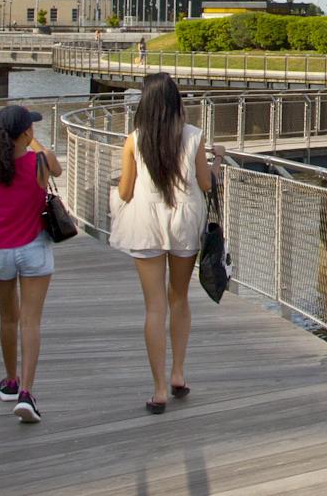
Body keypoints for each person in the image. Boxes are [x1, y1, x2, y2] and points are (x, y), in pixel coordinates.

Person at [110, 73, 215, 414]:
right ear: (175, 102)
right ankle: (178, 373)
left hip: (145, 222)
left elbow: (125, 191)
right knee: (179, 298)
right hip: (184, 221)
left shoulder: (134, 140)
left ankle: (157, 390)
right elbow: (205, 183)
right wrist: (219, 160)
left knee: (154, 307)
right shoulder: (193, 137)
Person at [0, 104, 59, 424]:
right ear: (26, 132)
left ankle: (10, 381)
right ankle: (27, 391)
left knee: (8, 318)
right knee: (31, 322)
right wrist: (33, 144)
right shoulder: (40, 160)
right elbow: (57, 170)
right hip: (34, 247)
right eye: (31, 127)